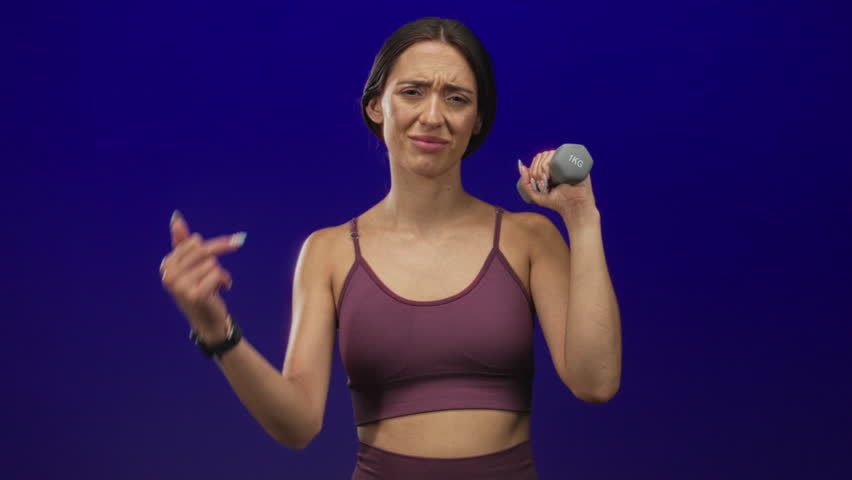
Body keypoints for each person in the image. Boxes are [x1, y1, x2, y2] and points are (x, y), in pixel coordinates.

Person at [159, 17, 622, 480]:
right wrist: (216, 331)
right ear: (376, 106)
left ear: (477, 119)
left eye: (456, 98)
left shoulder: (530, 239)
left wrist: (583, 220)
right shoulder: (327, 253)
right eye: (412, 92)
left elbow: (596, 382)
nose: (433, 116)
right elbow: (298, 425)